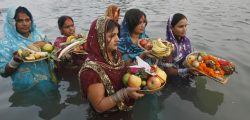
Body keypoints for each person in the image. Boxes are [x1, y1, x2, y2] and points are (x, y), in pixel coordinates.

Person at [79, 16, 144, 114]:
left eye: (117, 34)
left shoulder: (115, 53)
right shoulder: (90, 71)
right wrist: (125, 93)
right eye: (112, 35)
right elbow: (99, 107)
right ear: (99, 38)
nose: (118, 39)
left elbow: (122, 71)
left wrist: (142, 58)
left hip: (123, 108)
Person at [0, 6, 57, 93]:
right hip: (25, 89)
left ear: (31, 21)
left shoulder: (39, 36)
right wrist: (15, 61)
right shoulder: (6, 44)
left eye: (27, 20)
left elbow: (54, 56)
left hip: (48, 82)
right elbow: (4, 73)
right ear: (12, 23)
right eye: (20, 21)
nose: (25, 23)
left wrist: (47, 45)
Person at [158, 13, 195, 78]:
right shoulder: (167, 46)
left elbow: (190, 59)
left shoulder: (186, 41)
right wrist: (187, 71)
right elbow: (168, 71)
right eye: (181, 26)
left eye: (186, 26)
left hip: (188, 74)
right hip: (173, 79)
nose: (184, 29)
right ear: (171, 28)